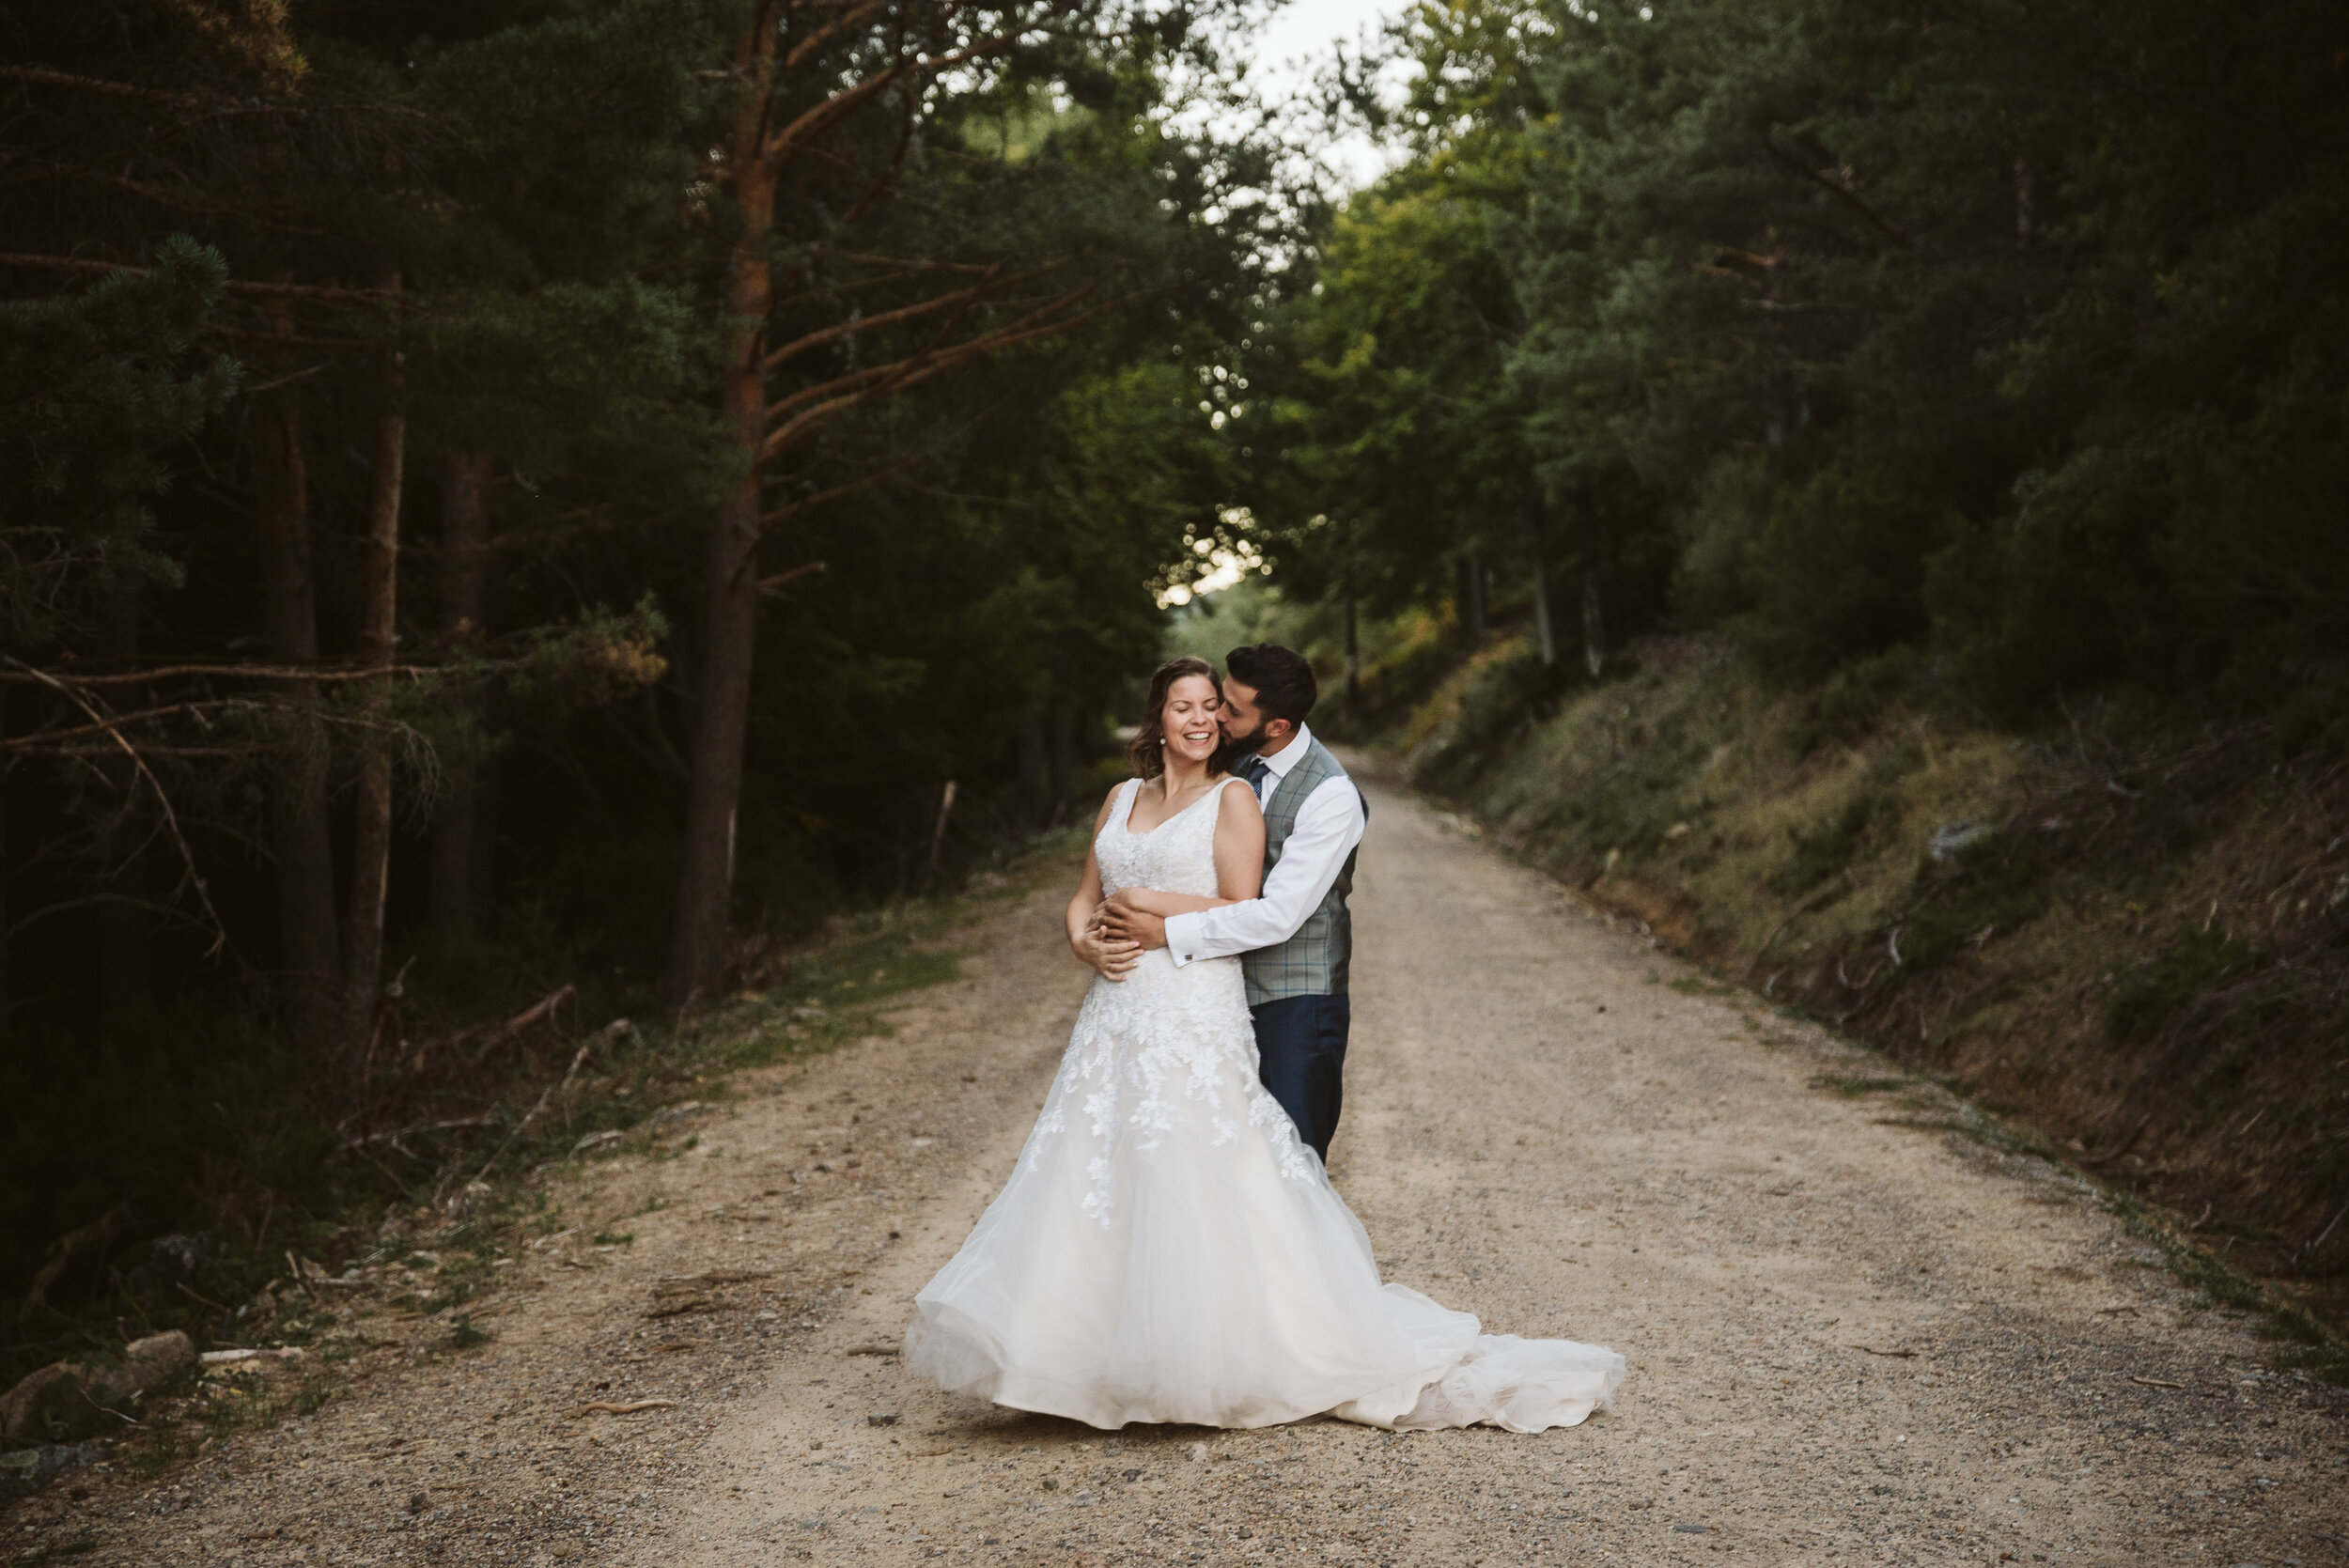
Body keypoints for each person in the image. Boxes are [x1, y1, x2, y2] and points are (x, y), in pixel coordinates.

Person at [902, 656, 1624, 1432]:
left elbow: (1262, 910)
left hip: (1235, 997)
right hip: (1118, 1009)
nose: (1210, 718)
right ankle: (1079, 1355)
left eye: (1221, 706)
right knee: (1098, 1164)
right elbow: (1085, 899)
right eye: (1190, 704)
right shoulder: (1128, 795)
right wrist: (1088, 942)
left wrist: (1147, 910)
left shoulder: (1294, 793)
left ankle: (1245, 1343)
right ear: (1158, 714)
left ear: (1264, 723)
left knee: (1237, 1168)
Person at [1095, 644, 1361, 1163]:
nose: (1215, 716)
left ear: (1277, 725)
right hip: (1209, 996)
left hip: (1293, 1002)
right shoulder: (1229, 757)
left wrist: (1163, 931)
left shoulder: (1331, 796)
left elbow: (1276, 915)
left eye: (1230, 709)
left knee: (1288, 1160)